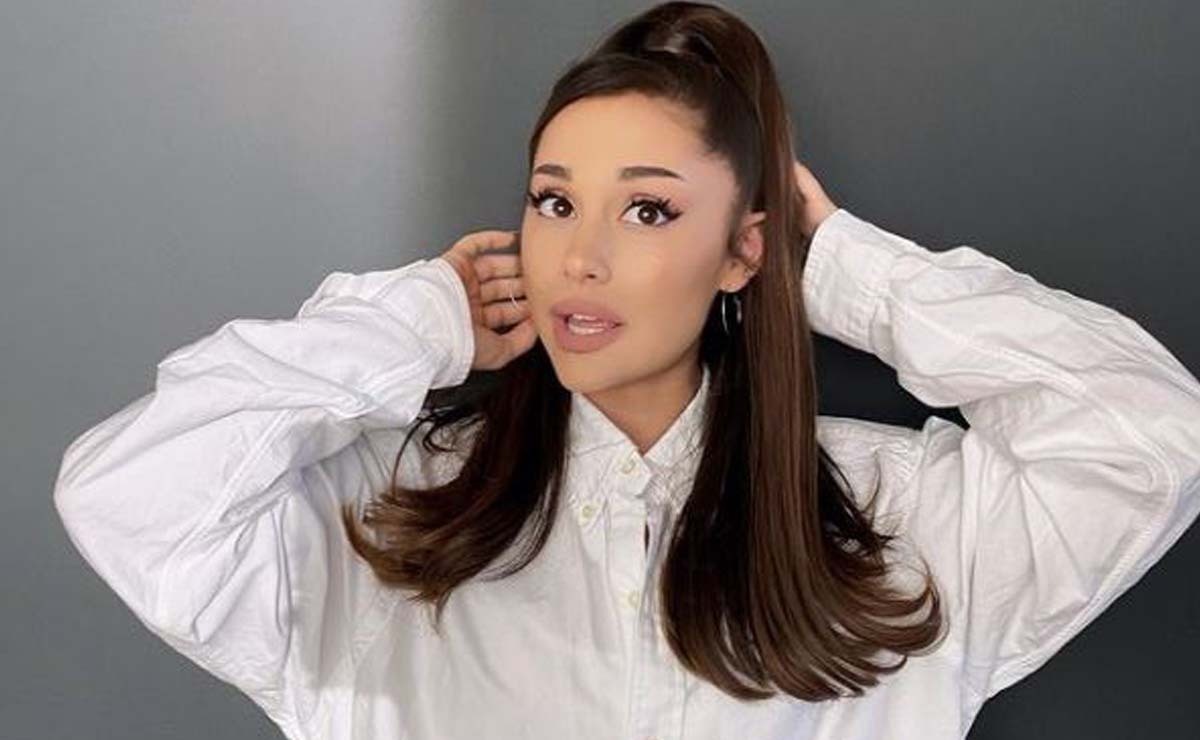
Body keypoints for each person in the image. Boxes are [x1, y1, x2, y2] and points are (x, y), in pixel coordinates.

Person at [53, 2, 1200, 739]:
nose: (581, 255)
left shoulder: (899, 529)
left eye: (647, 208)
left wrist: (852, 272)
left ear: (744, 250)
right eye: (554, 201)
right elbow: (129, 493)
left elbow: (1154, 433)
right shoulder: (391, 527)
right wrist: (412, 323)